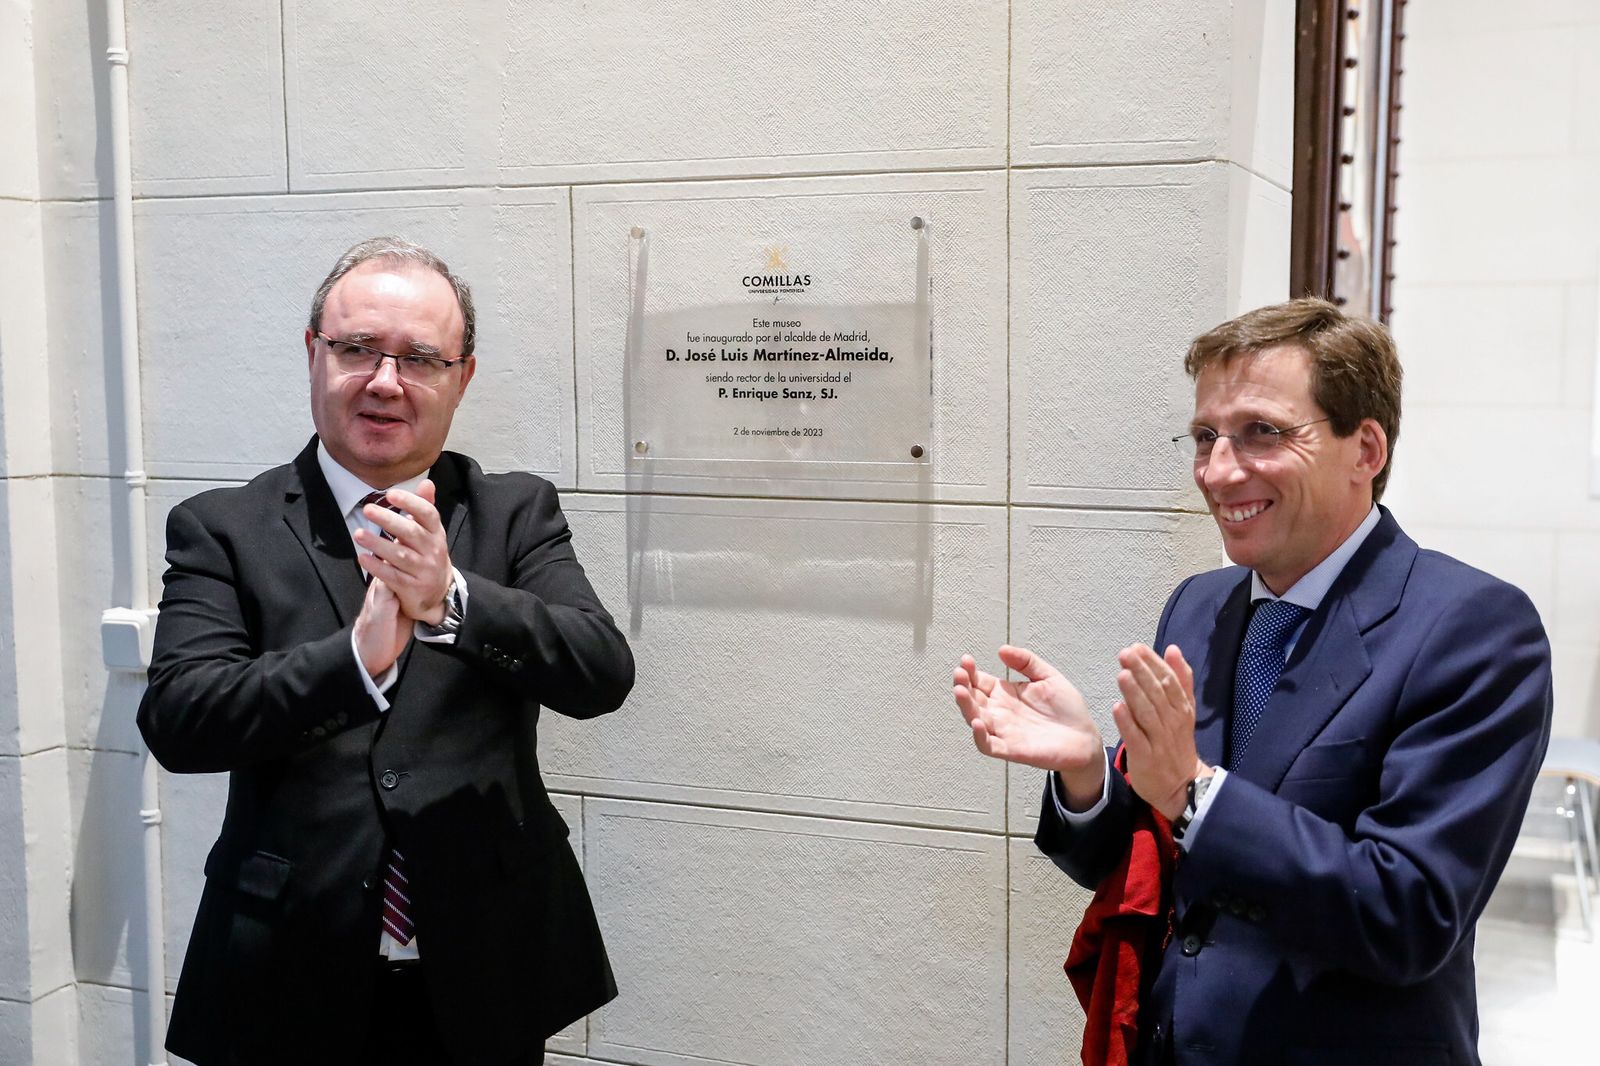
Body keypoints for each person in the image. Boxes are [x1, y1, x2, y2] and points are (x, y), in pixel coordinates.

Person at [953, 298, 1551, 1065]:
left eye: (1262, 432)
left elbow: (1409, 915)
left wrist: (1192, 793)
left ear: (1365, 448)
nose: (1218, 471)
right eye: (1206, 436)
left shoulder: (1472, 628)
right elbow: (1150, 860)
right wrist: (1087, 775)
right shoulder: (1199, 605)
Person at [137, 236, 634, 1066]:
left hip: (487, 963)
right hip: (285, 971)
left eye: (421, 359)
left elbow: (600, 673)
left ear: (461, 378)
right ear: (313, 353)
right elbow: (182, 722)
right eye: (357, 349)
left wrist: (453, 601)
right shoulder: (223, 528)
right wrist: (353, 664)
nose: (384, 381)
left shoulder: (516, 514)